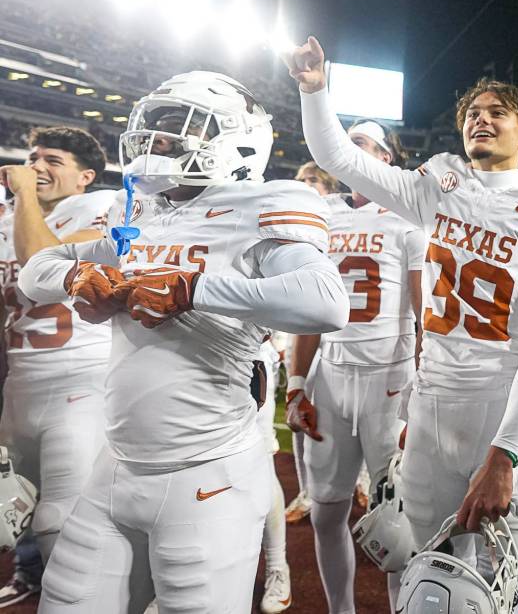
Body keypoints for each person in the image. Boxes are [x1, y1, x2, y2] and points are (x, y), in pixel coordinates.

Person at [286, 41, 518, 613]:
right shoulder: (437, 190)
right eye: (472, 113)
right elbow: (338, 157)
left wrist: (505, 453)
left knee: (511, 586)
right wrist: (314, 90)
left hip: (501, 411)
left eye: (497, 112)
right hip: (430, 407)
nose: (481, 119)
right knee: (421, 576)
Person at [17, 71, 348, 613]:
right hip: (116, 462)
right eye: (154, 126)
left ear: (237, 143)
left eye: (176, 127)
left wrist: (193, 287)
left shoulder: (265, 204)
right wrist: (77, 278)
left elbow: (325, 301)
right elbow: (37, 271)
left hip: (207, 469)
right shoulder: (144, 213)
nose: (158, 140)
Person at [285, 119, 426, 613]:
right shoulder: (323, 215)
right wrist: (297, 384)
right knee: (325, 514)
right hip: (333, 376)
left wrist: (422, 395)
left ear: (386, 159)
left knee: (396, 523)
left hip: (390, 383)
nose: (348, 149)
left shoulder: (407, 218)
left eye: (361, 143)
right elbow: (310, 309)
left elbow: (424, 317)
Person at [0, 127, 112, 607]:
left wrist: (23, 192)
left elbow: (38, 265)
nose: (36, 166)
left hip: (81, 382)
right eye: (31, 157)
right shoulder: (11, 218)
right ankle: (33, 578)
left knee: (59, 517)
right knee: (13, 510)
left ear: (86, 176)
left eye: (52, 160)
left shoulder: (106, 207)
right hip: (21, 384)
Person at [283, 160, 343, 525]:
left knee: (345, 415)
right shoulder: (294, 223)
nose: (305, 184)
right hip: (303, 326)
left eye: (313, 180)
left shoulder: (340, 220)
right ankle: (307, 489)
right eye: (301, 178)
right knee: (300, 409)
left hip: (343, 336)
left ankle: (361, 480)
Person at [256, 334, 292, 614]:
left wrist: (279, 340)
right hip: (186, 360)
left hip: (247, 358)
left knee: (262, 464)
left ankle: (278, 567)